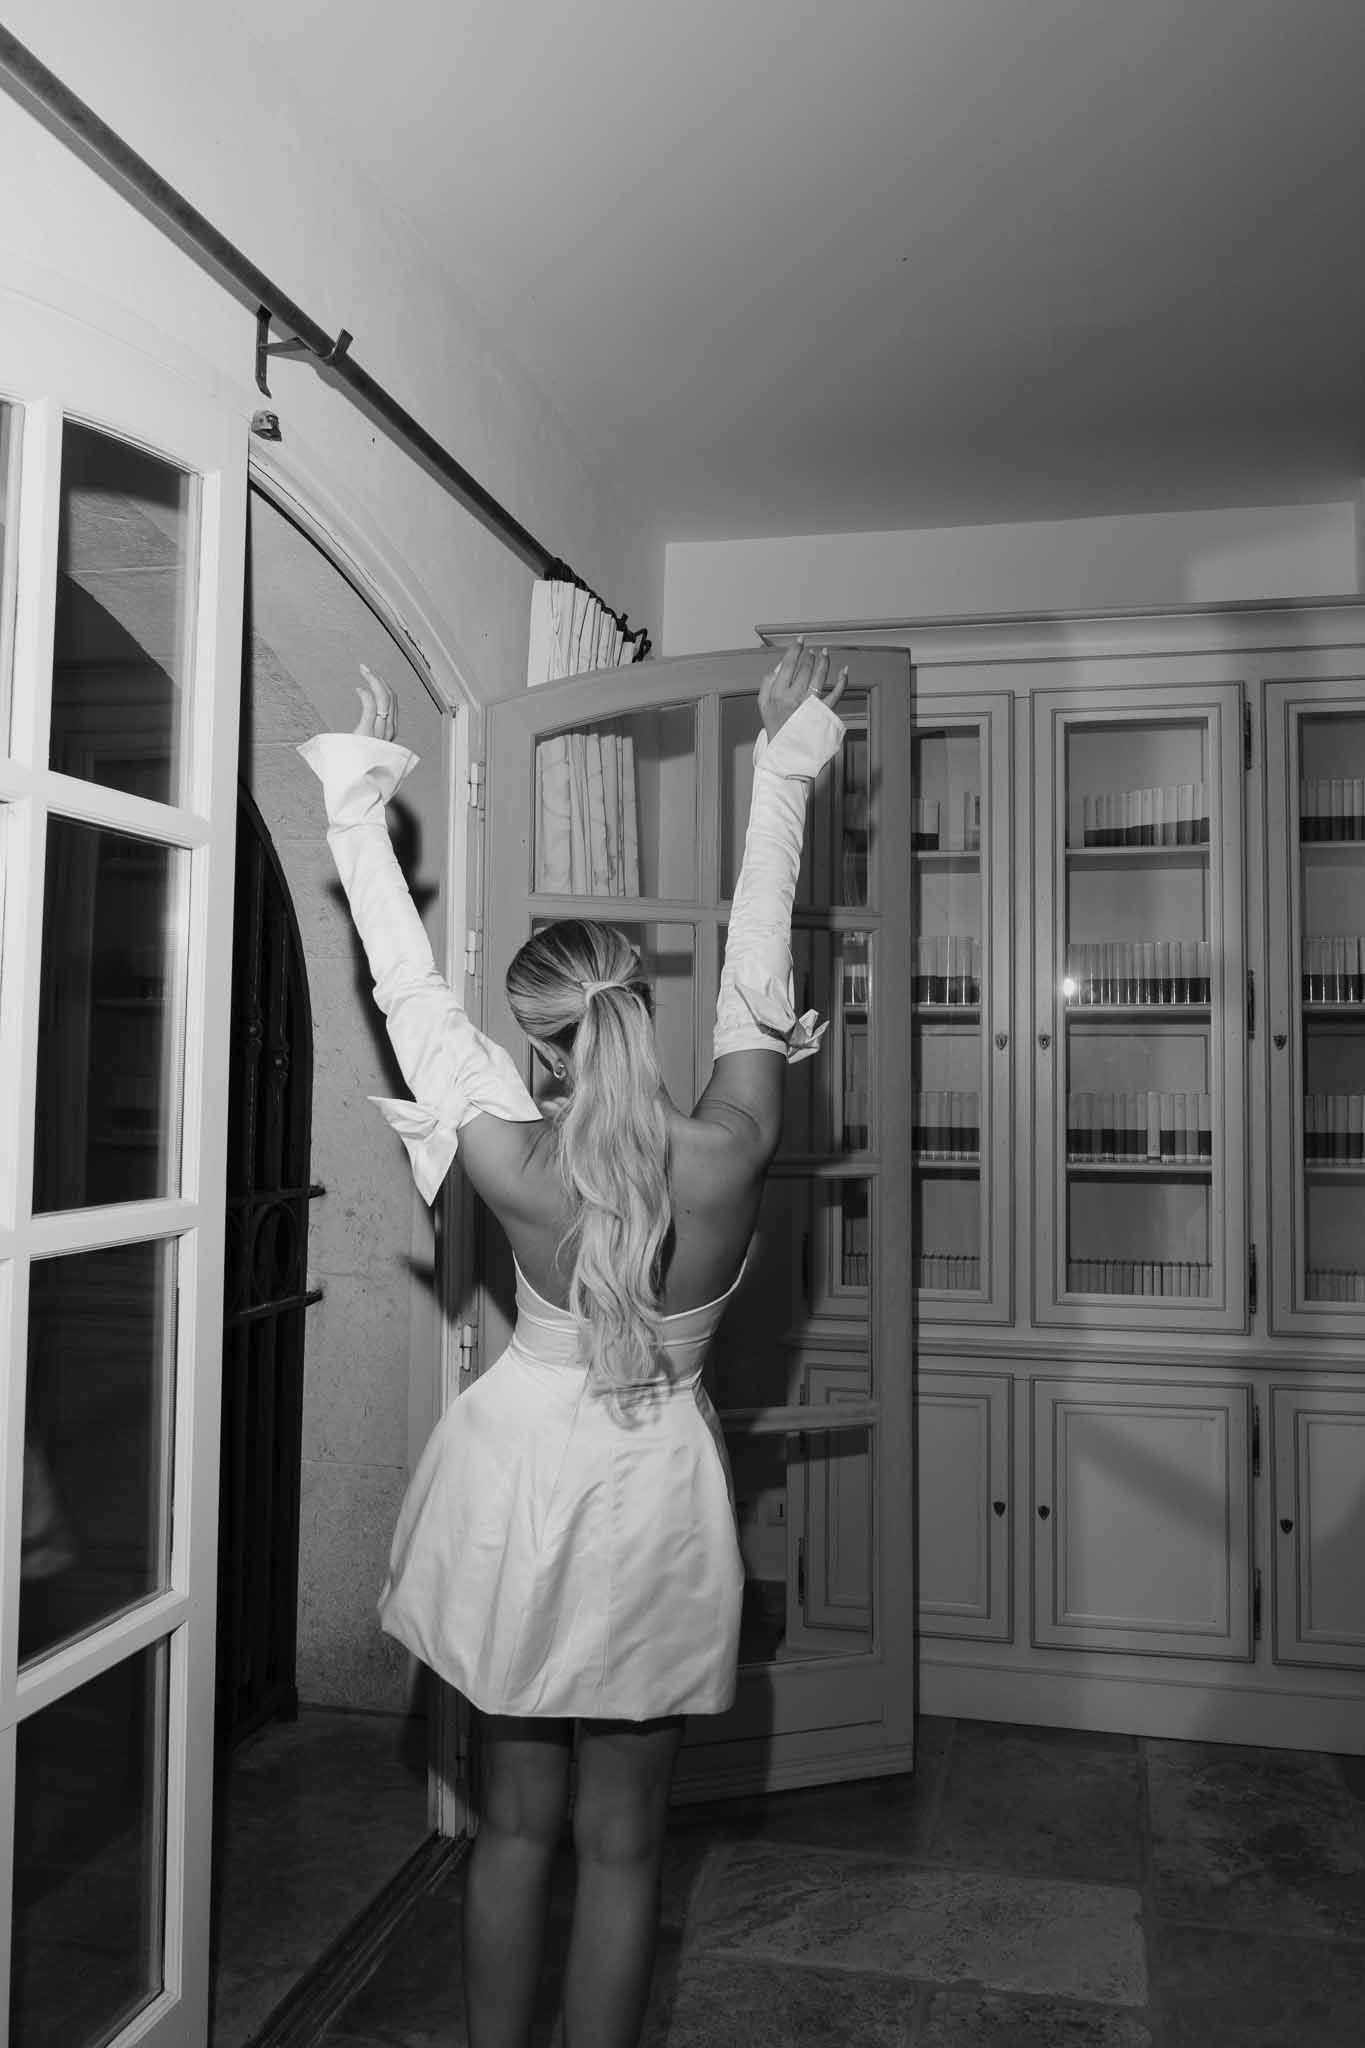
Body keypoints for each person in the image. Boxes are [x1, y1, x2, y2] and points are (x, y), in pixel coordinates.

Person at [299, 639, 846, 2048]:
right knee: (624, 1849)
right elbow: (756, 963)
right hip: (654, 1482)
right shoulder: (730, 1149)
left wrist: (358, 803)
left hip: (522, 1485)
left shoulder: (510, 1158)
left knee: (512, 1837)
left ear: (538, 1047)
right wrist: (780, 765)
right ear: (635, 1014)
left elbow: (406, 989)